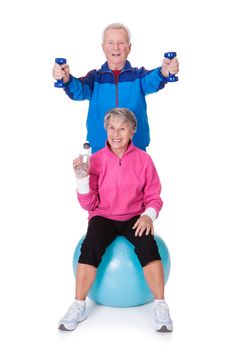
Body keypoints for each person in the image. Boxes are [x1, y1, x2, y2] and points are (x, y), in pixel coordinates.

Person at [58, 108, 173, 332]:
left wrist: (148, 216)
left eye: (122, 128)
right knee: (90, 247)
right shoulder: (97, 160)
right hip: (104, 216)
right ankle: (78, 305)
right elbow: (89, 205)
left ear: (132, 131)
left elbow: (154, 197)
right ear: (106, 130)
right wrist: (82, 180)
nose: (116, 133)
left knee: (148, 247)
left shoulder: (144, 160)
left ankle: (161, 306)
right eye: (112, 128)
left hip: (134, 216)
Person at [53, 23, 179, 153]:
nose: (116, 48)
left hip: (135, 147)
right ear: (103, 47)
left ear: (129, 47)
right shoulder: (94, 78)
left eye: (121, 42)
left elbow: (153, 79)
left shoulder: (138, 77)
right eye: (111, 43)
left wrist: (164, 71)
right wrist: (66, 78)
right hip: (101, 147)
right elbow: (78, 91)